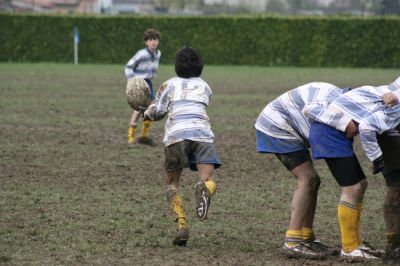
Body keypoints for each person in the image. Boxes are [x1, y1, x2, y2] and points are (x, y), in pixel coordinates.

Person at [305, 77, 400, 261]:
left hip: (329, 131)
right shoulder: (394, 106)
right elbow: (366, 127)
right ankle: (349, 248)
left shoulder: (381, 93)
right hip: (329, 133)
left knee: (361, 184)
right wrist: (377, 159)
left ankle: (356, 244)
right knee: (353, 188)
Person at [255, 82, 349, 259]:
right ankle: (293, 241)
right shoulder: (332, 101)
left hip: (284, 122)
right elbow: (311, 111)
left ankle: (306, 237)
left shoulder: (340, 99)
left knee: (313, 179)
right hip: (277, 125)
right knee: (308, 178)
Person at [144, 47, 221, 246]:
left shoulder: (168, 84)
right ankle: (204, 188)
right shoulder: (205, 87)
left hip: (176, 136)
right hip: (202, 134)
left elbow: (159, 112)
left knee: (172, 185)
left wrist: (147, 112)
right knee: (208, 179)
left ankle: (181, 225)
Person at [125, 28, 161, 145]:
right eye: (150, 40)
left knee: (152, 108)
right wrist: (133, 81)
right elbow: (129, 66)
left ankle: (144, 136)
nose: (153, 42)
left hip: (148, 83)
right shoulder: (142, 54)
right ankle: (131, 134)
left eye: (155, 39)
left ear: (158, 41)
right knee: (139, 109)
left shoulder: (158, 54)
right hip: (139, 82)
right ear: (146, 42)